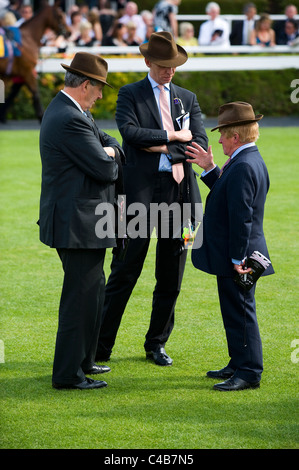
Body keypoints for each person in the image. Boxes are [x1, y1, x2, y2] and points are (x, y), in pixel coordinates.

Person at [96, 31, 208, 366]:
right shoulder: (130, 94)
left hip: (181, 195)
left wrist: (158, 145)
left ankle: (156, 344)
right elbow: (130, 135)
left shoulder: (187, 98)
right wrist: (174, 136)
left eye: (173, 65)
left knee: (171, 275)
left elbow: (199, 141)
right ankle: (100, 348)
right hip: (139, 195)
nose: (169, 71)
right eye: (163, 65)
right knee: (125, 272)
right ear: (148, 62)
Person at [39, 52, 124, 390]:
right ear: (86, 84)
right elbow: (105, 168)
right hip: (78, 224)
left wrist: (110, 149)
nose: (101, 95)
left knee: (93, 293)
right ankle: (68, 374)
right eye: (99, 88)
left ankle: (85, 361)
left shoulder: (73, 111)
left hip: (83, 222)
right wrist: (110, 155)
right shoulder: (69, 117)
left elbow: (108, 143)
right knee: (80, 297)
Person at [185, 101, 274, 391]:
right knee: (235, 310)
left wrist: (238, 258)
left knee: (241, 312)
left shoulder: (243, 166)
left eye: (223, 134)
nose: (219, 139)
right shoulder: (247, 160)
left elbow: (241, 217)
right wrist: (210, 168)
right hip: (238, 254)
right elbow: (228, 195)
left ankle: (248, 371)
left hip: (240, 257)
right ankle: (238, 362)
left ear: (235, 136)